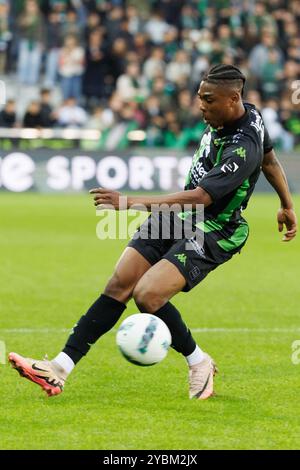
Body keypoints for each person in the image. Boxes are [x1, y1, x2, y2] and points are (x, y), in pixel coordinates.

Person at [9, 64, 297, 400]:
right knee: (120, 283)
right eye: (200, 97)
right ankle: (59, 368)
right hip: (178, 215)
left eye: (208, 100)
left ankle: (198, 361)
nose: (201, 106)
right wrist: (287, 204)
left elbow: (203, 196)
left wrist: (128, 201)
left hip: (215, 227)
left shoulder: (242, 145)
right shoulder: (248, 114)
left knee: (148, 295)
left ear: (233, 99)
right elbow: (272, 160)